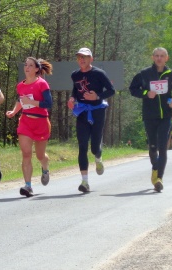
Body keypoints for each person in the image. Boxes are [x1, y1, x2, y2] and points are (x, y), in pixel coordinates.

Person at [129, 47, 172, 192]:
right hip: (149, 115)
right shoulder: (144, 74)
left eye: (162, 56)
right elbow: (133, 89)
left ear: (167, 58)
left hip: (166, 116)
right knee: (153, 147)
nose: (159, 58)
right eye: (157, 56)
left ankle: (159, 178)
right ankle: (155, 166)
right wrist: (146, 93)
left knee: (162, 147)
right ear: (153, 57)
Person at [67, 48, 116, 193]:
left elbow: (111, 90)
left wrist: (97, 96)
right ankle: (85, 182)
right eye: (79, 57)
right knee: (82, 145)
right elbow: (75, 90)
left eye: (85, 57)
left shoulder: (99, 73)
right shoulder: (75, 75)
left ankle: (98, 156)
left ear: (91, 59)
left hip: (98, 110)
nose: (82, 59)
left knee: (94, 145)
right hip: (82, 111)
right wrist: (72, 98)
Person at [5, 57, 53, 197]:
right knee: (26, 154)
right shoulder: (20, 85)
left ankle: (45, 167)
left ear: (37, 69)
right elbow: (21, 101)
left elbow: (48, 103)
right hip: (26, 122)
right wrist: (14, 111)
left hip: (41, 122)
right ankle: (28, 186)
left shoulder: (42, 84)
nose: (27, 67)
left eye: (31, 65)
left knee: (39, 155)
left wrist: (32, 101)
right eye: (26, 65)